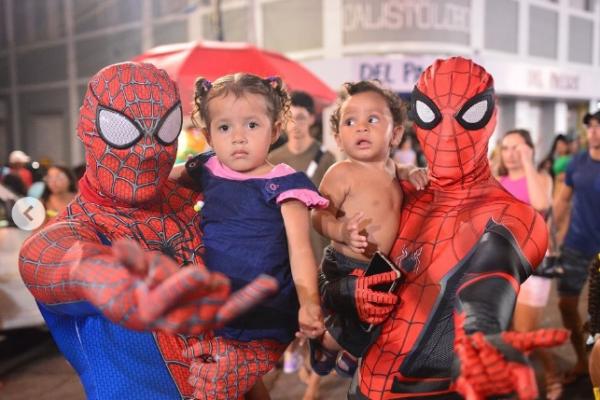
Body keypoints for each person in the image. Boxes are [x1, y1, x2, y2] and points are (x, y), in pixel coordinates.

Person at [18, 62, 276, 400]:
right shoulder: (76, 230)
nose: (147, 150)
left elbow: (279, 288)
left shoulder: (200, 199)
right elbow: (57, 258)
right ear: (86, 128)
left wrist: (255, 357)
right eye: (121, 130)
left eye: (165, 129)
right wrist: (116, 280)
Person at [319, 57, 568, 400]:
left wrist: (483, 337)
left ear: (490, 117)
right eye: (431, 115)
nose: (448, 134)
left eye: (468, 115)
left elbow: (489, 280)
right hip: (363, 384)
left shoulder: (512, 215)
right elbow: (330, 273)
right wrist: (347, 293)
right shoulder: (401, 192)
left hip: (437, 389)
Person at [176, 73, 327, 399]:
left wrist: (309, 304)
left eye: (252, 125)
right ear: (209, 135)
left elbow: (300, 251)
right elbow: (160, 181)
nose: (238, 138)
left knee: (219, 386)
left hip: (266, 312)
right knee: (241, 387)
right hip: (215, 309)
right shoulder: (207, 170)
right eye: (225, 127)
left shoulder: (284, 183)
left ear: (274, 130)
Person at [310, 80, 427, 378]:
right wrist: (342, 231)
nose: (361, 127)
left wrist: (412, 171)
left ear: (396, 133)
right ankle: (326, 342)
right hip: (346, 264)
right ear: (338, 137)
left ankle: (350, 349)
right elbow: (318, 215)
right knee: (356, 315)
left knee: (380, 311)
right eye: (351, 121)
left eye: (372, 119)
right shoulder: (341, 173)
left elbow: (399, 169)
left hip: (378, 265)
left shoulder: (392, 167)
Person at [267, 90, 336, 392]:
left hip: (318, 248)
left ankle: (314, 383)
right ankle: (296, 359)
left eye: (302, 118)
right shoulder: (275, 158)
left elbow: (332, 207)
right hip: (284, 249)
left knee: (317, 314)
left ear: (312, 120)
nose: (296, 124)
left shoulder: (325, 158)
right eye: (290, 118)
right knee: (290, 314)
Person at [497, 129, 561, 399]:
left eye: (518, 148)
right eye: (506, 148)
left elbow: (540, 204)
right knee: (507, 330)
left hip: (533, 263)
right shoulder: (497, 180)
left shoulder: (542, 179)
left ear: (530, 150)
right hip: (502, 263)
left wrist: (527, 163)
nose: (510, 154)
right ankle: (513, 380)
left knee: (526, 332)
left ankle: (552, 376)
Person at [554, 110, 600, 385]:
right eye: (590, 126)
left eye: (599, 126)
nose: (593, 131)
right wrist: (550, 235)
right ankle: (583, 361)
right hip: (576, 244)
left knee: (597, 317)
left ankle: (595, 366)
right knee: (565, 304)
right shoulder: (576, 163)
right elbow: (562, 201)